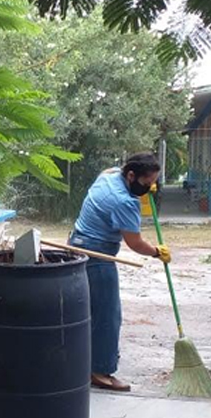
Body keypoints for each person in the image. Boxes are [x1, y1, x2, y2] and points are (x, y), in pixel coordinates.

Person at [68, 153, 172, 392]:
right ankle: (100, 371)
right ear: (131, 175)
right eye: (147, 183)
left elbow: (110, 173)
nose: (149, 188)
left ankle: (84, 363)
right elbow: (135, 243)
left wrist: (145, 187)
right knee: (107, 316)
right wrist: (157, 252)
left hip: (76, 246)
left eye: (153, 183)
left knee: (87, 312)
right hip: (97, 256)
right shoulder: (124, 202)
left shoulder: (110, 175)